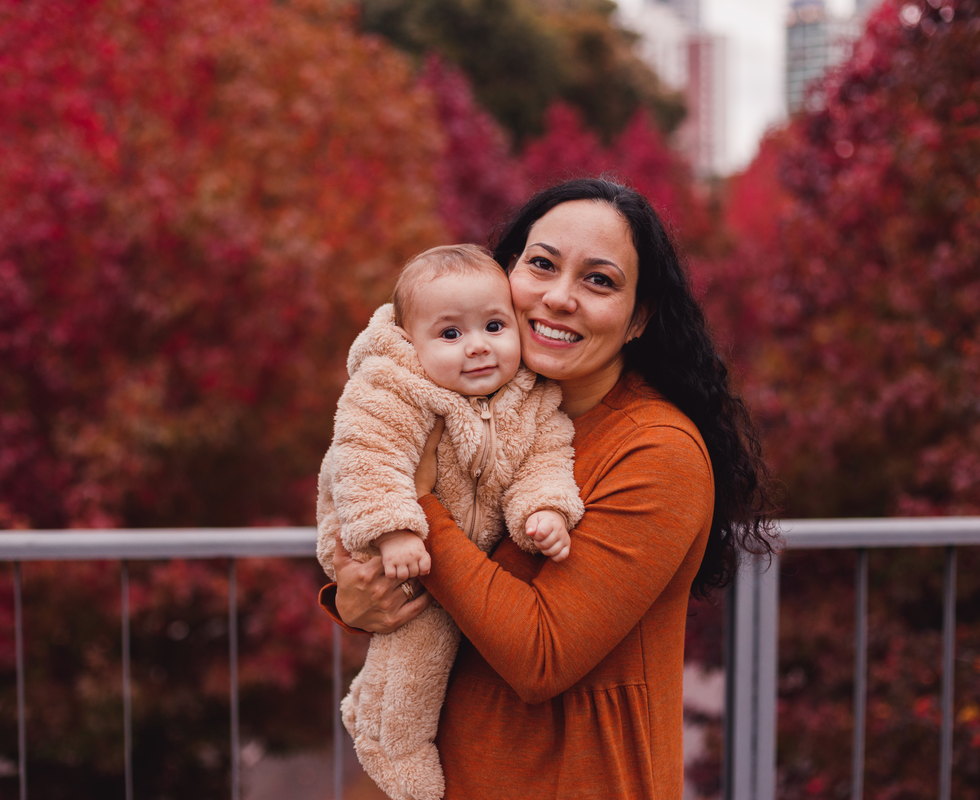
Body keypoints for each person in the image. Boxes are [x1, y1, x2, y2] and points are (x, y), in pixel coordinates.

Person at [322, 178, 778, 799]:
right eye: (541, 265)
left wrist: (422, 504)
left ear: (639, 316)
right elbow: (435, 574)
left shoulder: (657, 451)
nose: (559, 297)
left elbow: (541, 655)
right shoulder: (476, 410)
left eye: (600, 280)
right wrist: (356, 600)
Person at [316, 244, 585, 800]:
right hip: (379, 533)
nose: (478, 347)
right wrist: (394, 529)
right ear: (410, 341)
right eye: (450, 334)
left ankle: (377, 715)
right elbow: (368, 454)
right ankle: (395, 749)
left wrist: (545, 509)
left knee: (432, 636)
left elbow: (547, 455)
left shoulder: (530, 397)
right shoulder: (394, 385)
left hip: (455, 547)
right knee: (420, 648)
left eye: (493, 325)